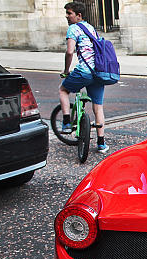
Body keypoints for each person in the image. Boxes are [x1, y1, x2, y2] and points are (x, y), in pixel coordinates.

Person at [59, 1, 108, 153]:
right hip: (98, 72)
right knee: (98, 107)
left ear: (78, 15)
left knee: (63, 90)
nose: (67, 16)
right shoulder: (90, 27)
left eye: (69, 13)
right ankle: (101, 144)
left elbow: (69, 52)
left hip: (84, 71)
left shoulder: (73, 29)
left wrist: (66, 70)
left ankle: (66, 123)